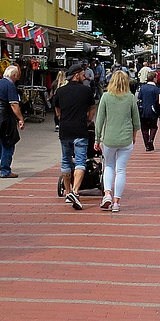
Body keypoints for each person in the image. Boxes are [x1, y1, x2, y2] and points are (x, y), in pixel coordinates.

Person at [94, 70, 142, 212]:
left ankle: (107, 194)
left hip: (109, 138)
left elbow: (100, 120)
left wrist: (97, 138)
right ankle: (116, 202)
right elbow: (136, 120)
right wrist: (134, 135)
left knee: (108, 166)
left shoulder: (106, 97)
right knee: (121, 170)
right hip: (126, 137)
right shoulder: (130, 97)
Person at [52, 63, 96, 210]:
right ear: (76, 75)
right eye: (83, 74)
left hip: (65, 130)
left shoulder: (60, 91)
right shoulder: (86, 91)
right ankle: (76, 192)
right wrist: (88, 121)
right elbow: (92, 110)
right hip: (80, 130)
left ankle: (68, 191)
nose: (85, 76)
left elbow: (58, 113)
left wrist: (62, 120)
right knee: (80, 161)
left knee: (65, 161)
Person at [136, 67, 160, 151]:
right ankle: (151, 140)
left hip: (143, 110)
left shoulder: (142, 88)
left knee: (144, 128)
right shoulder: (156, 89)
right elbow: (158, 100)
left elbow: (139, 97)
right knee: (153, 126)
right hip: (153, 110)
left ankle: (147, 144)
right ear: (153, 79)